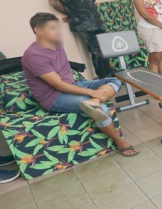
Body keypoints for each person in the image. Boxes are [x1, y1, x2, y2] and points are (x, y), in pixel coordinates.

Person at [22, 13, 138, 157]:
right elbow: (58, 85)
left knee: (114, 80)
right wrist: (91, 92)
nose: (58, 31)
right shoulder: (33, 56)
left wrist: (93, 96)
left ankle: (93, 103)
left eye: (58, 27)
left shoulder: (57, 43)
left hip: (71, 84)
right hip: (54, 96)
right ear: (37, 30)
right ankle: (119, 141)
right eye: (52, 28)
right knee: (101, 109)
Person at [49, 0, 112, 78]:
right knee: (97, 52)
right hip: (83, 24)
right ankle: (105, 79)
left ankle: (111, 76)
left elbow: (91, 3)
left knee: (106, 50)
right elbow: (53, 1)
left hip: (97, 21)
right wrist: (71, 13)